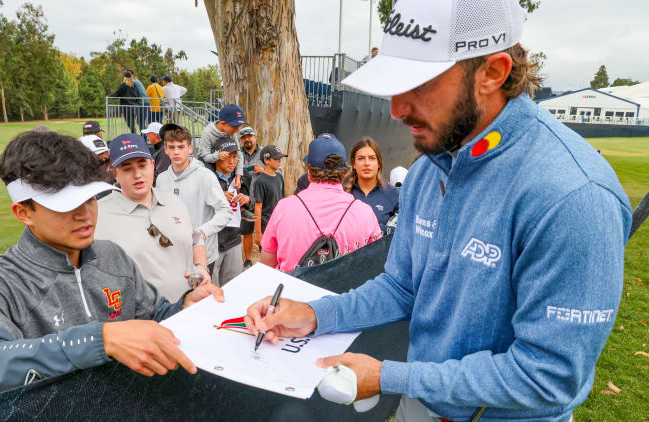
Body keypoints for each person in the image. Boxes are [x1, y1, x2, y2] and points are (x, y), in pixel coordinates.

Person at [245, 1, 632, 421]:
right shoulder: (432, 167)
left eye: (419, 84)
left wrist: (393, 378)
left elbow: (552, 375)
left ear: (492, 73)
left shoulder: (573, 193)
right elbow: (402, 286)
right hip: (419, 407)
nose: (396, 108)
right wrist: (316, 315)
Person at [0, 130, 224, 402]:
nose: (84, 214)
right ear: (24, 212)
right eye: (63, 205)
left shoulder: (111, 256)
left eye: (90, 198)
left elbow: (154, 313)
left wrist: (186, 305)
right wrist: (98, 339)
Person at [95, 132, 211, 302]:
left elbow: (195, 241)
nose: (137, 174)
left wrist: (200, 267)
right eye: (127, 168)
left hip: (191, 307)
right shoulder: (98, 215)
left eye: (142, 165)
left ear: (152, 164)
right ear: (115, 173)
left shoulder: (173, 201)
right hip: (146, 322)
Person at [258, 135, 381, 272]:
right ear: (344, 174)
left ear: (309, 173)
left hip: (291, 292)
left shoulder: (284, 208)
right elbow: (375, 265)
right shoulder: (365, 212)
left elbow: (266, 265)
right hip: (345, 292)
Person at [155, 125, 232, 275]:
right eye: (172, 147)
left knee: (201, 293)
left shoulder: (205, 176)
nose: (176, 151)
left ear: (190, 148)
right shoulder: (161, 179)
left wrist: (202, 232)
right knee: (181, 295)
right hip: (173, 255)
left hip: (202, 256)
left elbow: (225, 211)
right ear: (166, 150)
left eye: (181, 147)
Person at [212, 138, 251, 285]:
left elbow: (251, 203)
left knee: (233, 286)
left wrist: (247, 200)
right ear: (217, 158)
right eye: (228, 157)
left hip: (234, 240)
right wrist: (217, 196)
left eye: (235, 157)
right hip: (213, 241)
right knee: (211, 289)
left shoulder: (241, 178)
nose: (231, 161)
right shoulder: (208, 179)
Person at [344, 137, 399, 233]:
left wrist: (372, 229)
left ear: (379, 163)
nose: (366, 163)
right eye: (361, 158)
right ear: (353, 163)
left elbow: (401, 231)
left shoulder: (393, 194)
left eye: (372, 158)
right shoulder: (342, 192)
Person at [197, 104, 246, 189]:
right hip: (208, 163)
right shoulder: (208, 133)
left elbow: (239, 154)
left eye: (239, 126)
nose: (237, 130)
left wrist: (238, 177)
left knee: (244, 174)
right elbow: (205, 156)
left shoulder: (232, 133)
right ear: (223, 123)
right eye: (234, 126)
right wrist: (217, 156)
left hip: (225, 162)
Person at [252, 144, 286, 247]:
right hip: (266, 226)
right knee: (267, 257)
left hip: (279, 224)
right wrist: (258, 233)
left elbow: (282, 200)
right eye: (276, 158)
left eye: (280, 158)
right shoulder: (260, 181)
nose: (279, 160)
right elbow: (257, 207)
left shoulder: (280, 177)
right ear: (266, 160)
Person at [239, 126, 263, 268]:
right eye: (243, 137)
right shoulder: (237, 154)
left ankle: (264, 258)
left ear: (255, 137)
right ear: (241, 140)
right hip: (245, 197)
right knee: (247, 231)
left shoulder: (264, 152)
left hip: (261, 196)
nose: (247, 139)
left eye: (249, 136)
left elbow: (277, 171)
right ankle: (248, 260)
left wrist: (263, 170)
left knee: (264, 230)